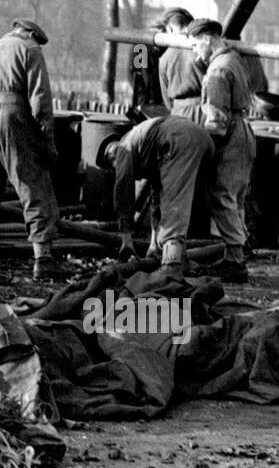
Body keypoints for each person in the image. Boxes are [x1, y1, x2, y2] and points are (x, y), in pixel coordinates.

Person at [0, 19, 62, 279]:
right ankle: (43, 260)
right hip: (14, 120)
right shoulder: (29, 50)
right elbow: (40, 100)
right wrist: (46, 139)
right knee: (32, 183)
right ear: (28, 34)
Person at [100, 115, 215, 277]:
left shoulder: (122, 149)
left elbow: (123, 191)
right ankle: (179, 259)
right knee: (177, 198)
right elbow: (157, 198)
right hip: (202, 138)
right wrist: (153, 247)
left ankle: (172, 264)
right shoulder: (144, 146)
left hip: (178, 139)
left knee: (174, 203)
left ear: (110, 157)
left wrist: (126, 237)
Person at [187, 18, 255, 283]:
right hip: (244, 132)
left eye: (195, 45)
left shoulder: (216, 71)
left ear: (207, 39)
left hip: (229, 137)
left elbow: (216, 121)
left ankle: (235, 259)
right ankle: (235, 253)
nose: (195, 52)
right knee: (236, 195)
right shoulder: (235, 59)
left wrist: (204, 147)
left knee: (222, 193)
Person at [158, 7, 206, 123]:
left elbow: (167, 99)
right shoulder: (203, 49)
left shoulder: (165, 58)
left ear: (169, 28)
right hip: (205, 111)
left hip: (178, 113)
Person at [129, 19, 167, 112]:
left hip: (163, 98)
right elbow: (136, 75)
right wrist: (142, 97)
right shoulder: (141, 47)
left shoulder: (166, 47)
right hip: (145, 97)